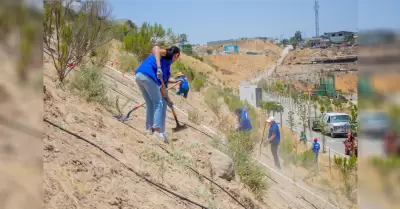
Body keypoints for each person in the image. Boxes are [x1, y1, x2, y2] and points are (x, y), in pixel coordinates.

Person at [135, 45, 181, 142]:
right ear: (177, 55)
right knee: (158, 103)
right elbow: (156, 49)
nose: (176, 59)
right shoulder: (169, 55)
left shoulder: (166, 68)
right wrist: (159, 68)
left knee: (150, 103)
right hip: (148, 77)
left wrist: (169, 101)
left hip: (139, 76)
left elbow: (163, 88)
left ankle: (149, 130)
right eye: (177, 58)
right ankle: (156, 130)